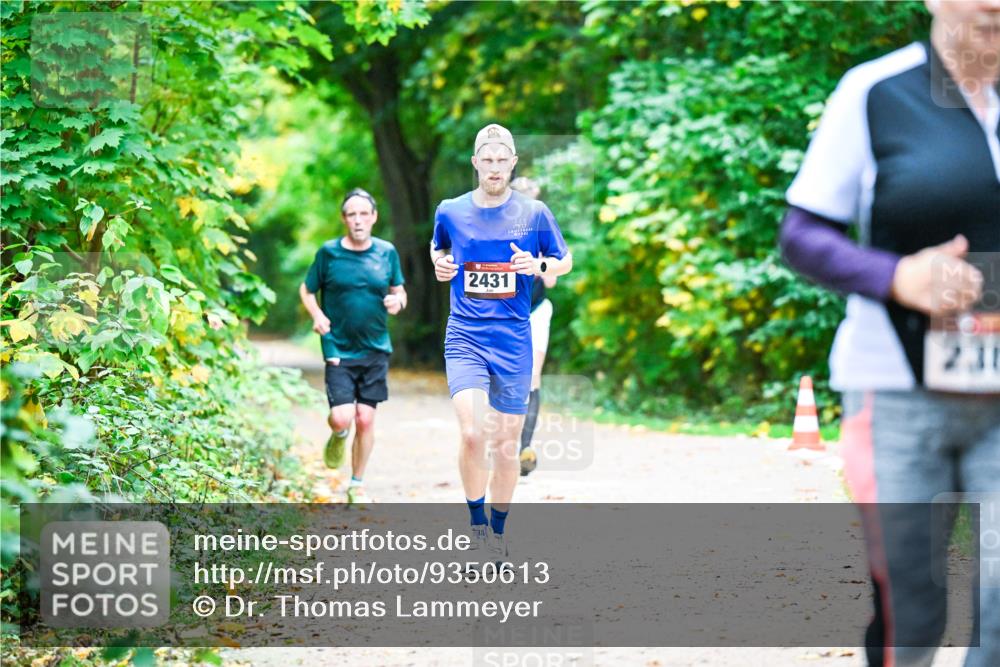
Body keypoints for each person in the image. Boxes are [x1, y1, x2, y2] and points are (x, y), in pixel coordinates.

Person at [779, 2, 999, 665]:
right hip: (898, 390)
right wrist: (898, 276)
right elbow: (802, 235)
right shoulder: (877, 92)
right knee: (912, 606)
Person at [430, 124, 572, 563]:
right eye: (486, 160)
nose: (494, 168)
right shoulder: (450, 211)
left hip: (513, 339)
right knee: (473, 434)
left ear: (513, 163)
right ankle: (476, 525)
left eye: (501, 160)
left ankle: (498, 529)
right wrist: (440, 265)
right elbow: (438, 249)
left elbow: (564, 261)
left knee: (506, 446)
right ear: (476, 163)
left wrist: (540, 262)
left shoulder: (534, 212)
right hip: (466, 336)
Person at [299, 188, 406, 505]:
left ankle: (356, 484)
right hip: (338, 349)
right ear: (344, 219)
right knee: (343, 418)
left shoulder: (387, 253)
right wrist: (317, 315)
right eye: (351, 214)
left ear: (374, 217)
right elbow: (307, 291)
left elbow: (400, 290)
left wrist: (397, 301)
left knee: (366, 418)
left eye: (364, 214)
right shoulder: (329, 253)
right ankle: (338, 435)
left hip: (375, 348)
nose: (358, 220)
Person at [509, 176, 557, 477]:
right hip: (505, 311)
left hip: (536, 310)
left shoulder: (544, 232)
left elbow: (552, 278)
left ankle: (523, 449)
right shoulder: (497, 228)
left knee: (531, 378)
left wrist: (538, 262)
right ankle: (503, 441)